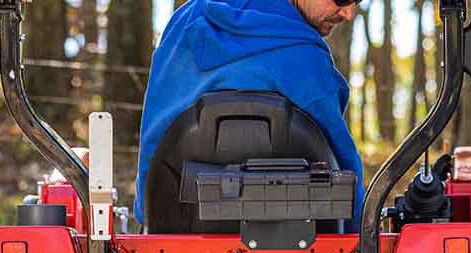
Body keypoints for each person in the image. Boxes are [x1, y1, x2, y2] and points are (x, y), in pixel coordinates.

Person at [133, 0, 363, 230]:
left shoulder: (183, 24)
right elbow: (344, 168)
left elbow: (154, 136)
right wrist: (363, 243)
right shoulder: (308, 64)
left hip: (176, 247)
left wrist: (148, 217)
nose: (349, 13)